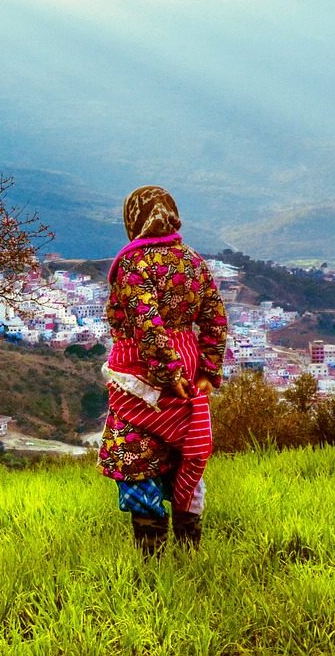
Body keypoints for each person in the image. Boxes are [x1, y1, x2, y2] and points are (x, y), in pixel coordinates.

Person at [96, 185, 228, 554]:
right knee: (186, 448)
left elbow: (146, 324)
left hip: (139, 375)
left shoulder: (132, 265)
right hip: (188, 364)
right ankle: (190, 546)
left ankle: (152, 552)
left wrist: (168, 374)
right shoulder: (192, 260)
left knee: (137, 452)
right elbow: (215, 317)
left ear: (133, 220)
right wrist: (206, 370)